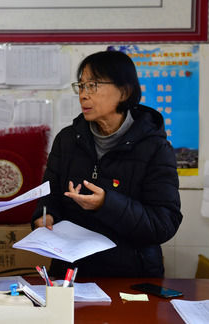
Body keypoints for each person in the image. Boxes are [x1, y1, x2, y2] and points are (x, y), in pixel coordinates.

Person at [31, 50, 182, 278]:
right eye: (81, 86)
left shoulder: (155, 148)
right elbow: (48, 196)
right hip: (71, 274)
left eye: (93, 86)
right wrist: (44, 217)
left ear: (124, 91)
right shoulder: (68, 139)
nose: (83, 95)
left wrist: (106, 203)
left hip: (130, 278)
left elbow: (164, 224)